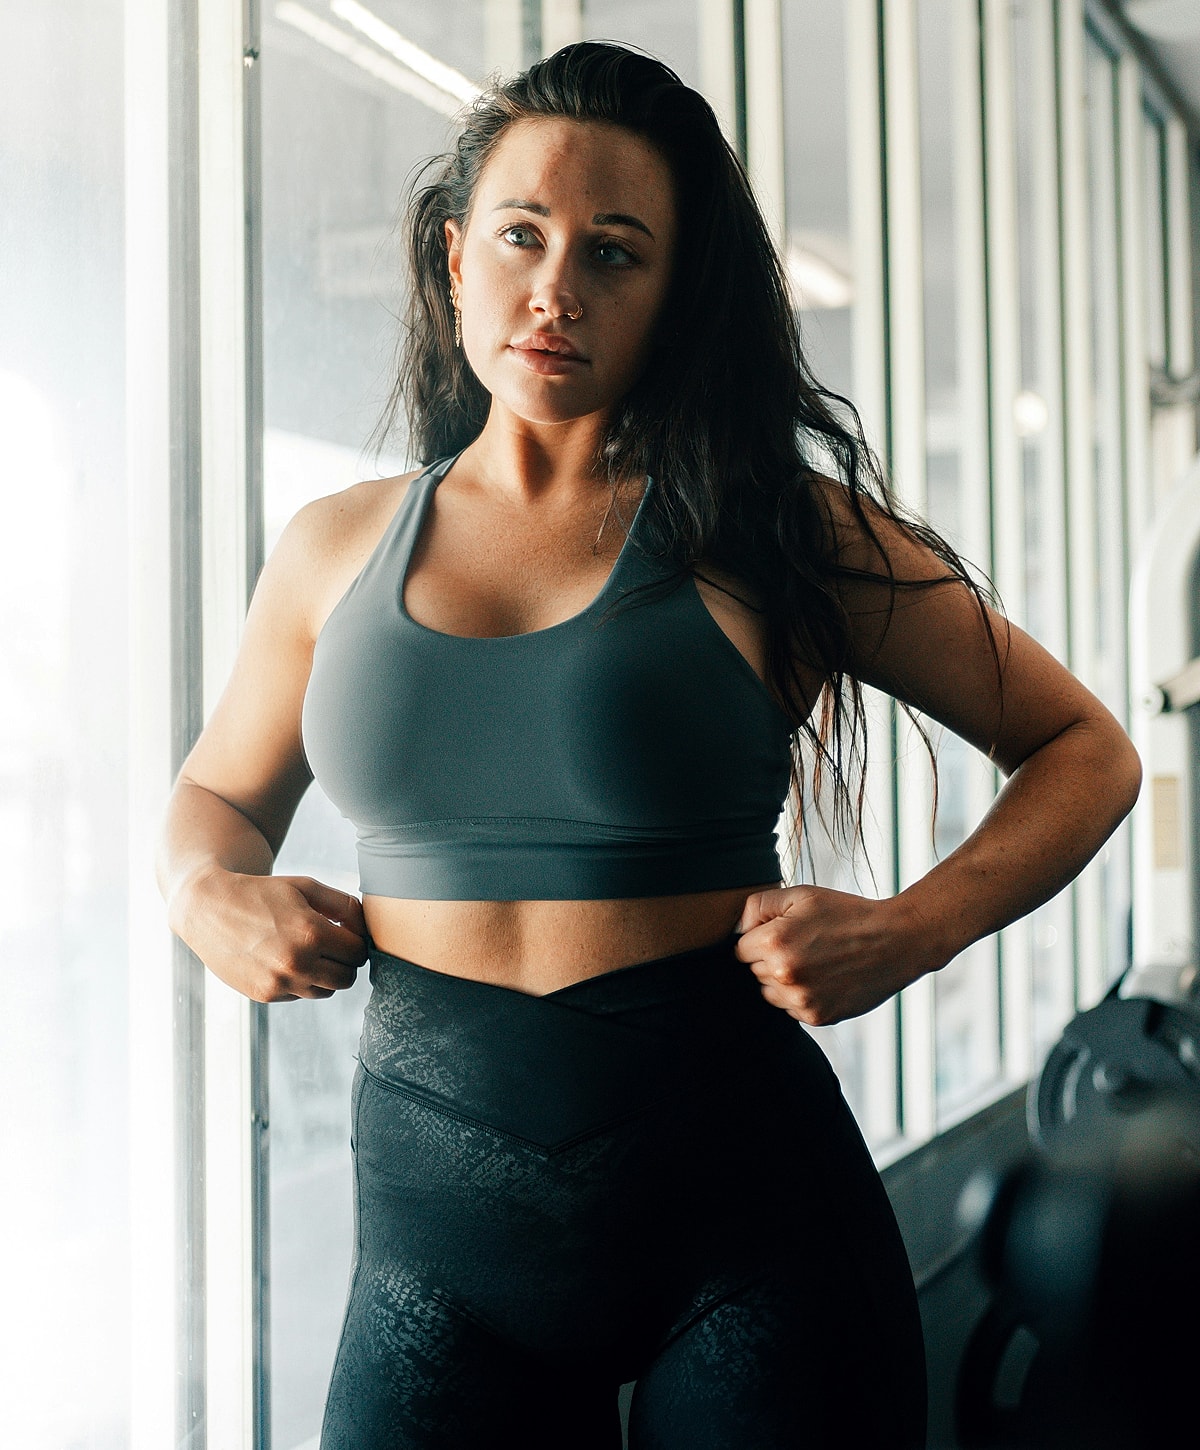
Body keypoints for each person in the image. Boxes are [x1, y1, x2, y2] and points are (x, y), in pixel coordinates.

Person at [157, 41, 1142, 1450]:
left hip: (752, 1251)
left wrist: (916, 929)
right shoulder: (333, 547)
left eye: (615, 253)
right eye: (522, 235)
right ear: (454, 258)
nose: (556, 287)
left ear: (676, 294)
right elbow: (213, 800)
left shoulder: (779, 532)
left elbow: (1085, 747)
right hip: (434, 1267)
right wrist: (205, 892)